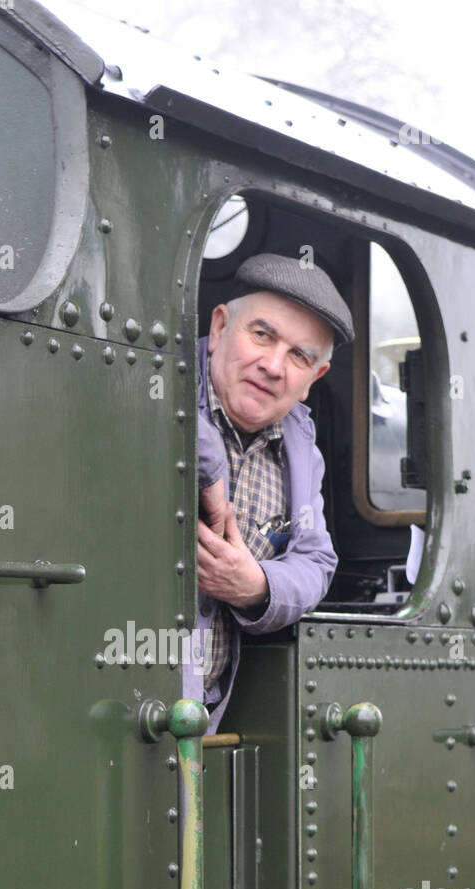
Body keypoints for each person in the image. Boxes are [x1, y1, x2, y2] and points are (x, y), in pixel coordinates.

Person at [188, 253, 353, 732]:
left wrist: (256, 585)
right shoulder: (149, 378)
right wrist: (210, 466)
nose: (273, 365)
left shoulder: (302, 447)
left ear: (313, 379)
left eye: (299, 355)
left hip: (199, 719)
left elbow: (316, 561)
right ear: (219, 327)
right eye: (262, 335)